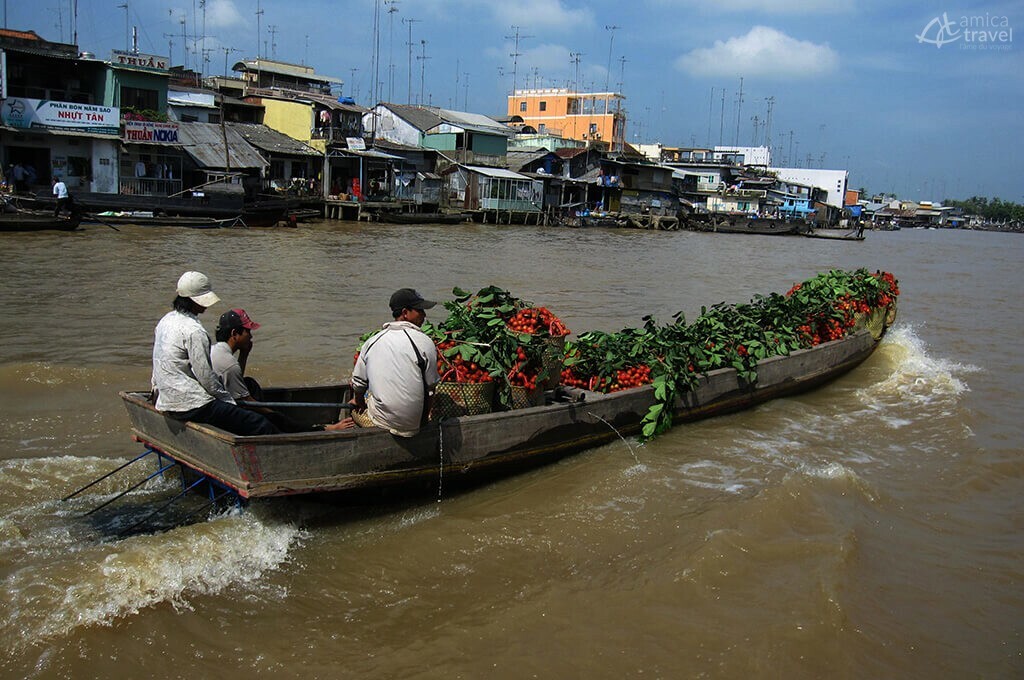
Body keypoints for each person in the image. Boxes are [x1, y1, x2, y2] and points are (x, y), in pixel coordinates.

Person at [151, 271, 279, 436]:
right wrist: (228, 401)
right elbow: (206, 377)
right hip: (192, 404)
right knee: (259, 422)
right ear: (194, 301)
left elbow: (158, 360)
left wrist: (155, 388)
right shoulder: (194, 331)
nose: (206, 305)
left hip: (166, 400)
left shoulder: (165, 321)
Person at [342, 288, 441, 436]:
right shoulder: (425, 342)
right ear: (405, 313)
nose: (424, 315)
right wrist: (424, 419)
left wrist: (359, 402)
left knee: (362, 398)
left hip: (383, 422)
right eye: (420, 310)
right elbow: (431, 387)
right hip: (416, 423)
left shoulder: (373, 341)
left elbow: (358, 383)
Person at [211, 308, 318, 432]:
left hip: (220, 403)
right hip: (223, 410)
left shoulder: (215, 350)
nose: (250, 336)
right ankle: (318, 430)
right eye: (248, 332)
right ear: (234, 334)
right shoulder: (228, 363)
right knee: (271, 420)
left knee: (250, 383)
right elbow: (247, 400)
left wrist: (244, 355)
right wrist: (273, 414)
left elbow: (236, 379)